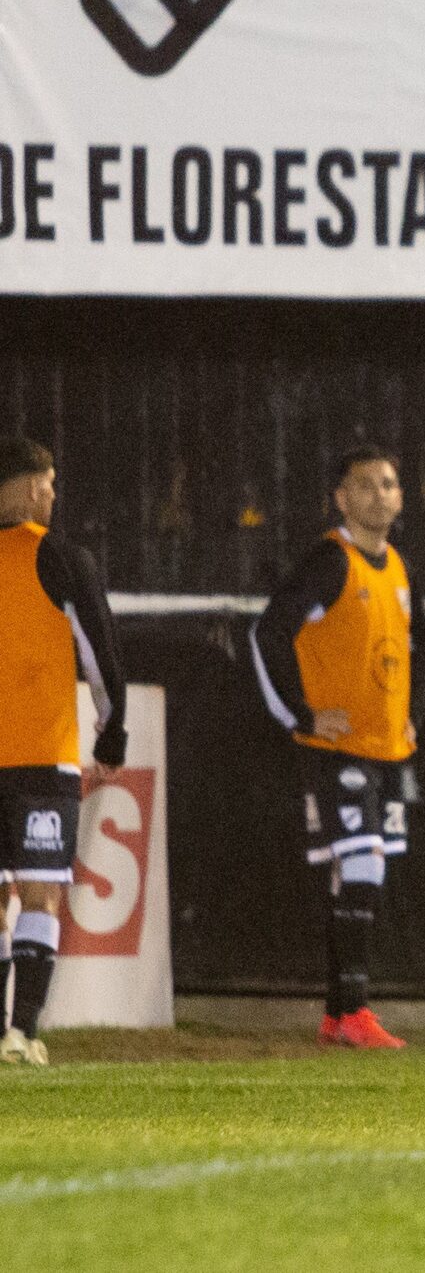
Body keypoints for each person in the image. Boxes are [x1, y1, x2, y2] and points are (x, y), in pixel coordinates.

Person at [252, 447, 425, 1052]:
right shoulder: (331, 561)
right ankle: (354, 1009)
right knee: (361, 867)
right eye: (366, 485)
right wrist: (301, 714)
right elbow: (269, 630)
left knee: (359, 870)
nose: (381, 494)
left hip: (384, 747)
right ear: (342, 498)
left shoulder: (399, 567)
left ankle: (336, 1013)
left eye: (390, 483)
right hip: (339, 746)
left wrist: (413, 717)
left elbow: (420, 646)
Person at [0, 439, 128, 1068]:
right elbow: (99, 645)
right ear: (26, 488)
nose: (53, 495)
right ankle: (21, 1033)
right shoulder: (57, 554)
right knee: (41, 893)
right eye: (48, 483)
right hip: (41, 759)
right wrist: (113, 731)